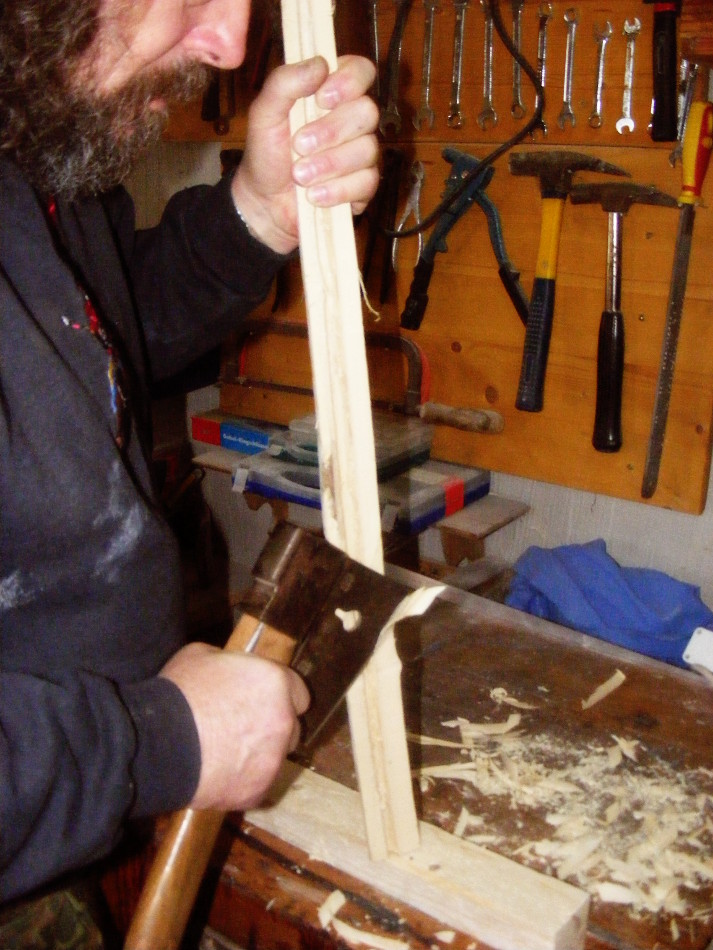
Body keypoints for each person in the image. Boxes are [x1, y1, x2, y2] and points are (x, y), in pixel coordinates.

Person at [0, 0, 379, 927]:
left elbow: (83, 344)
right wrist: (154, 743)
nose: (230, 44)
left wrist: (257, 213)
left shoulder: (32, 131)